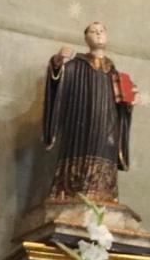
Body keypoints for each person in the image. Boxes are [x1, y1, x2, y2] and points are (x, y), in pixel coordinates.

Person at [44, 20, 136, 203]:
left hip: (107, 125)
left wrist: (130, 101)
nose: (99, 34)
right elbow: (57, 78)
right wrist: (58, 61)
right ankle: (72, 190)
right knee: (80, 150)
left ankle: (103, 192)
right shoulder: (76, 65)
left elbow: (122, 105)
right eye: (93, 31)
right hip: (80, 122)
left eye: (102, 31)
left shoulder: (114, 72)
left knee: (105, 150)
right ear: (86, 38)